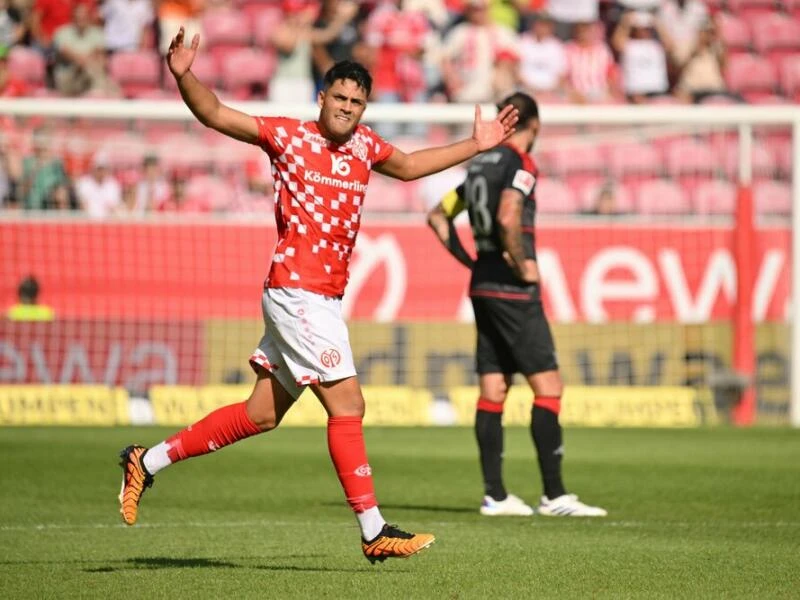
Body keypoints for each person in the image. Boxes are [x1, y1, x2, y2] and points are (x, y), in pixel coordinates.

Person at [118, 26, 518, 562]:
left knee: (260, 415)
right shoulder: (288, 137)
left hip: (323, 297)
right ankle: (374, 531)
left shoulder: (366, 146)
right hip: (296, 291)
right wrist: (185, 75)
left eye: (357, 102)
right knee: (348, 402)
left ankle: (146, 462)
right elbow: (216, 114)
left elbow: (411, 166)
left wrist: (475, 145)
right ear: (321, 98)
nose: (348, 108)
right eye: (340, 98)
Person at [426, 92, 607, 518]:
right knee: (549, 388)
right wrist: (520, 261)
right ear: (536, 126)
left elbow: (437, 216)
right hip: (512, 289)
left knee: (494, 389)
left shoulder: (478, 167)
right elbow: (509, 216)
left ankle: (496, 496)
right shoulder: (522, 165)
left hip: (482, 285)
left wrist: (471, 260)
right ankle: (555, 495)